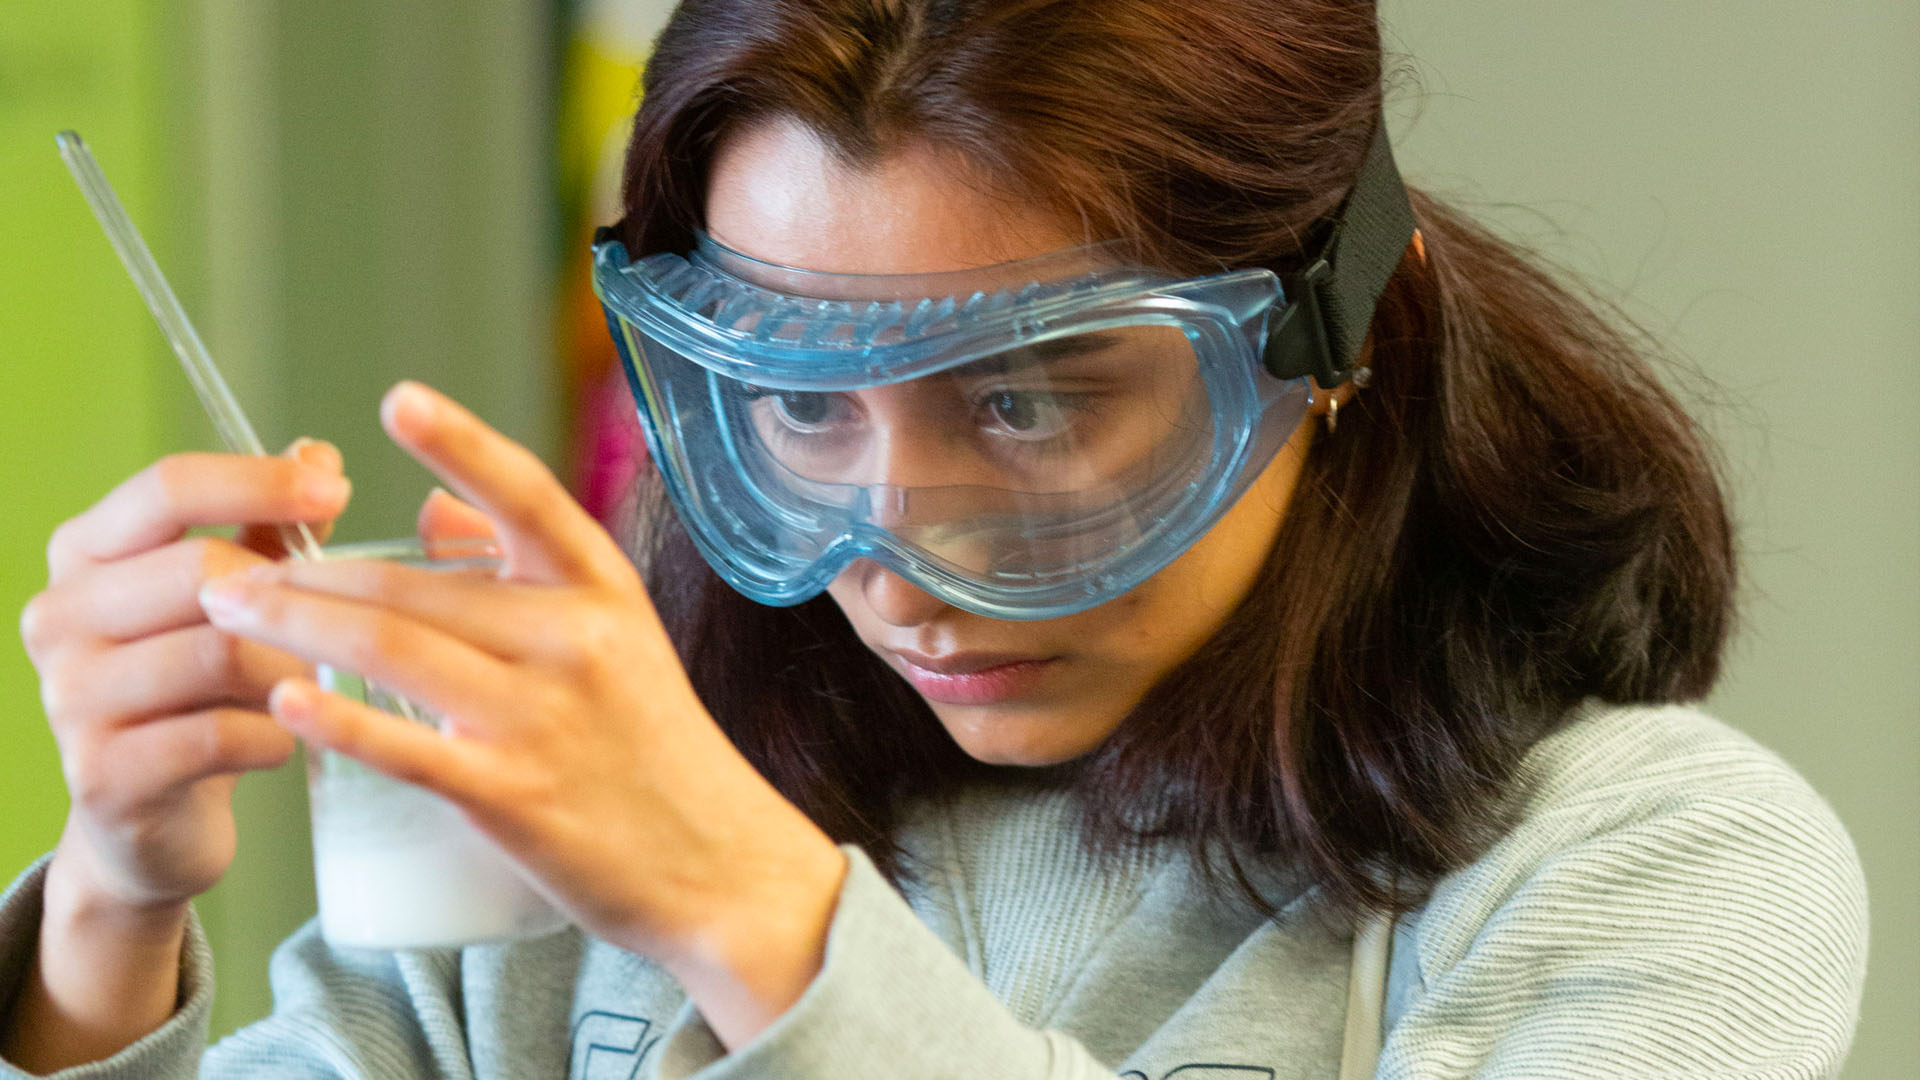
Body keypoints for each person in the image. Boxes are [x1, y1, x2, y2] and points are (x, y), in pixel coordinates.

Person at [0, 0, 1868, 1077]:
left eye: (1031, 403)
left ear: (1340, 329)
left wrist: (753, 919)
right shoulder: (554, 872)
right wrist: (110, 907)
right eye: (801, 407)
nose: (888, 562)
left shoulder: (1648, 869)